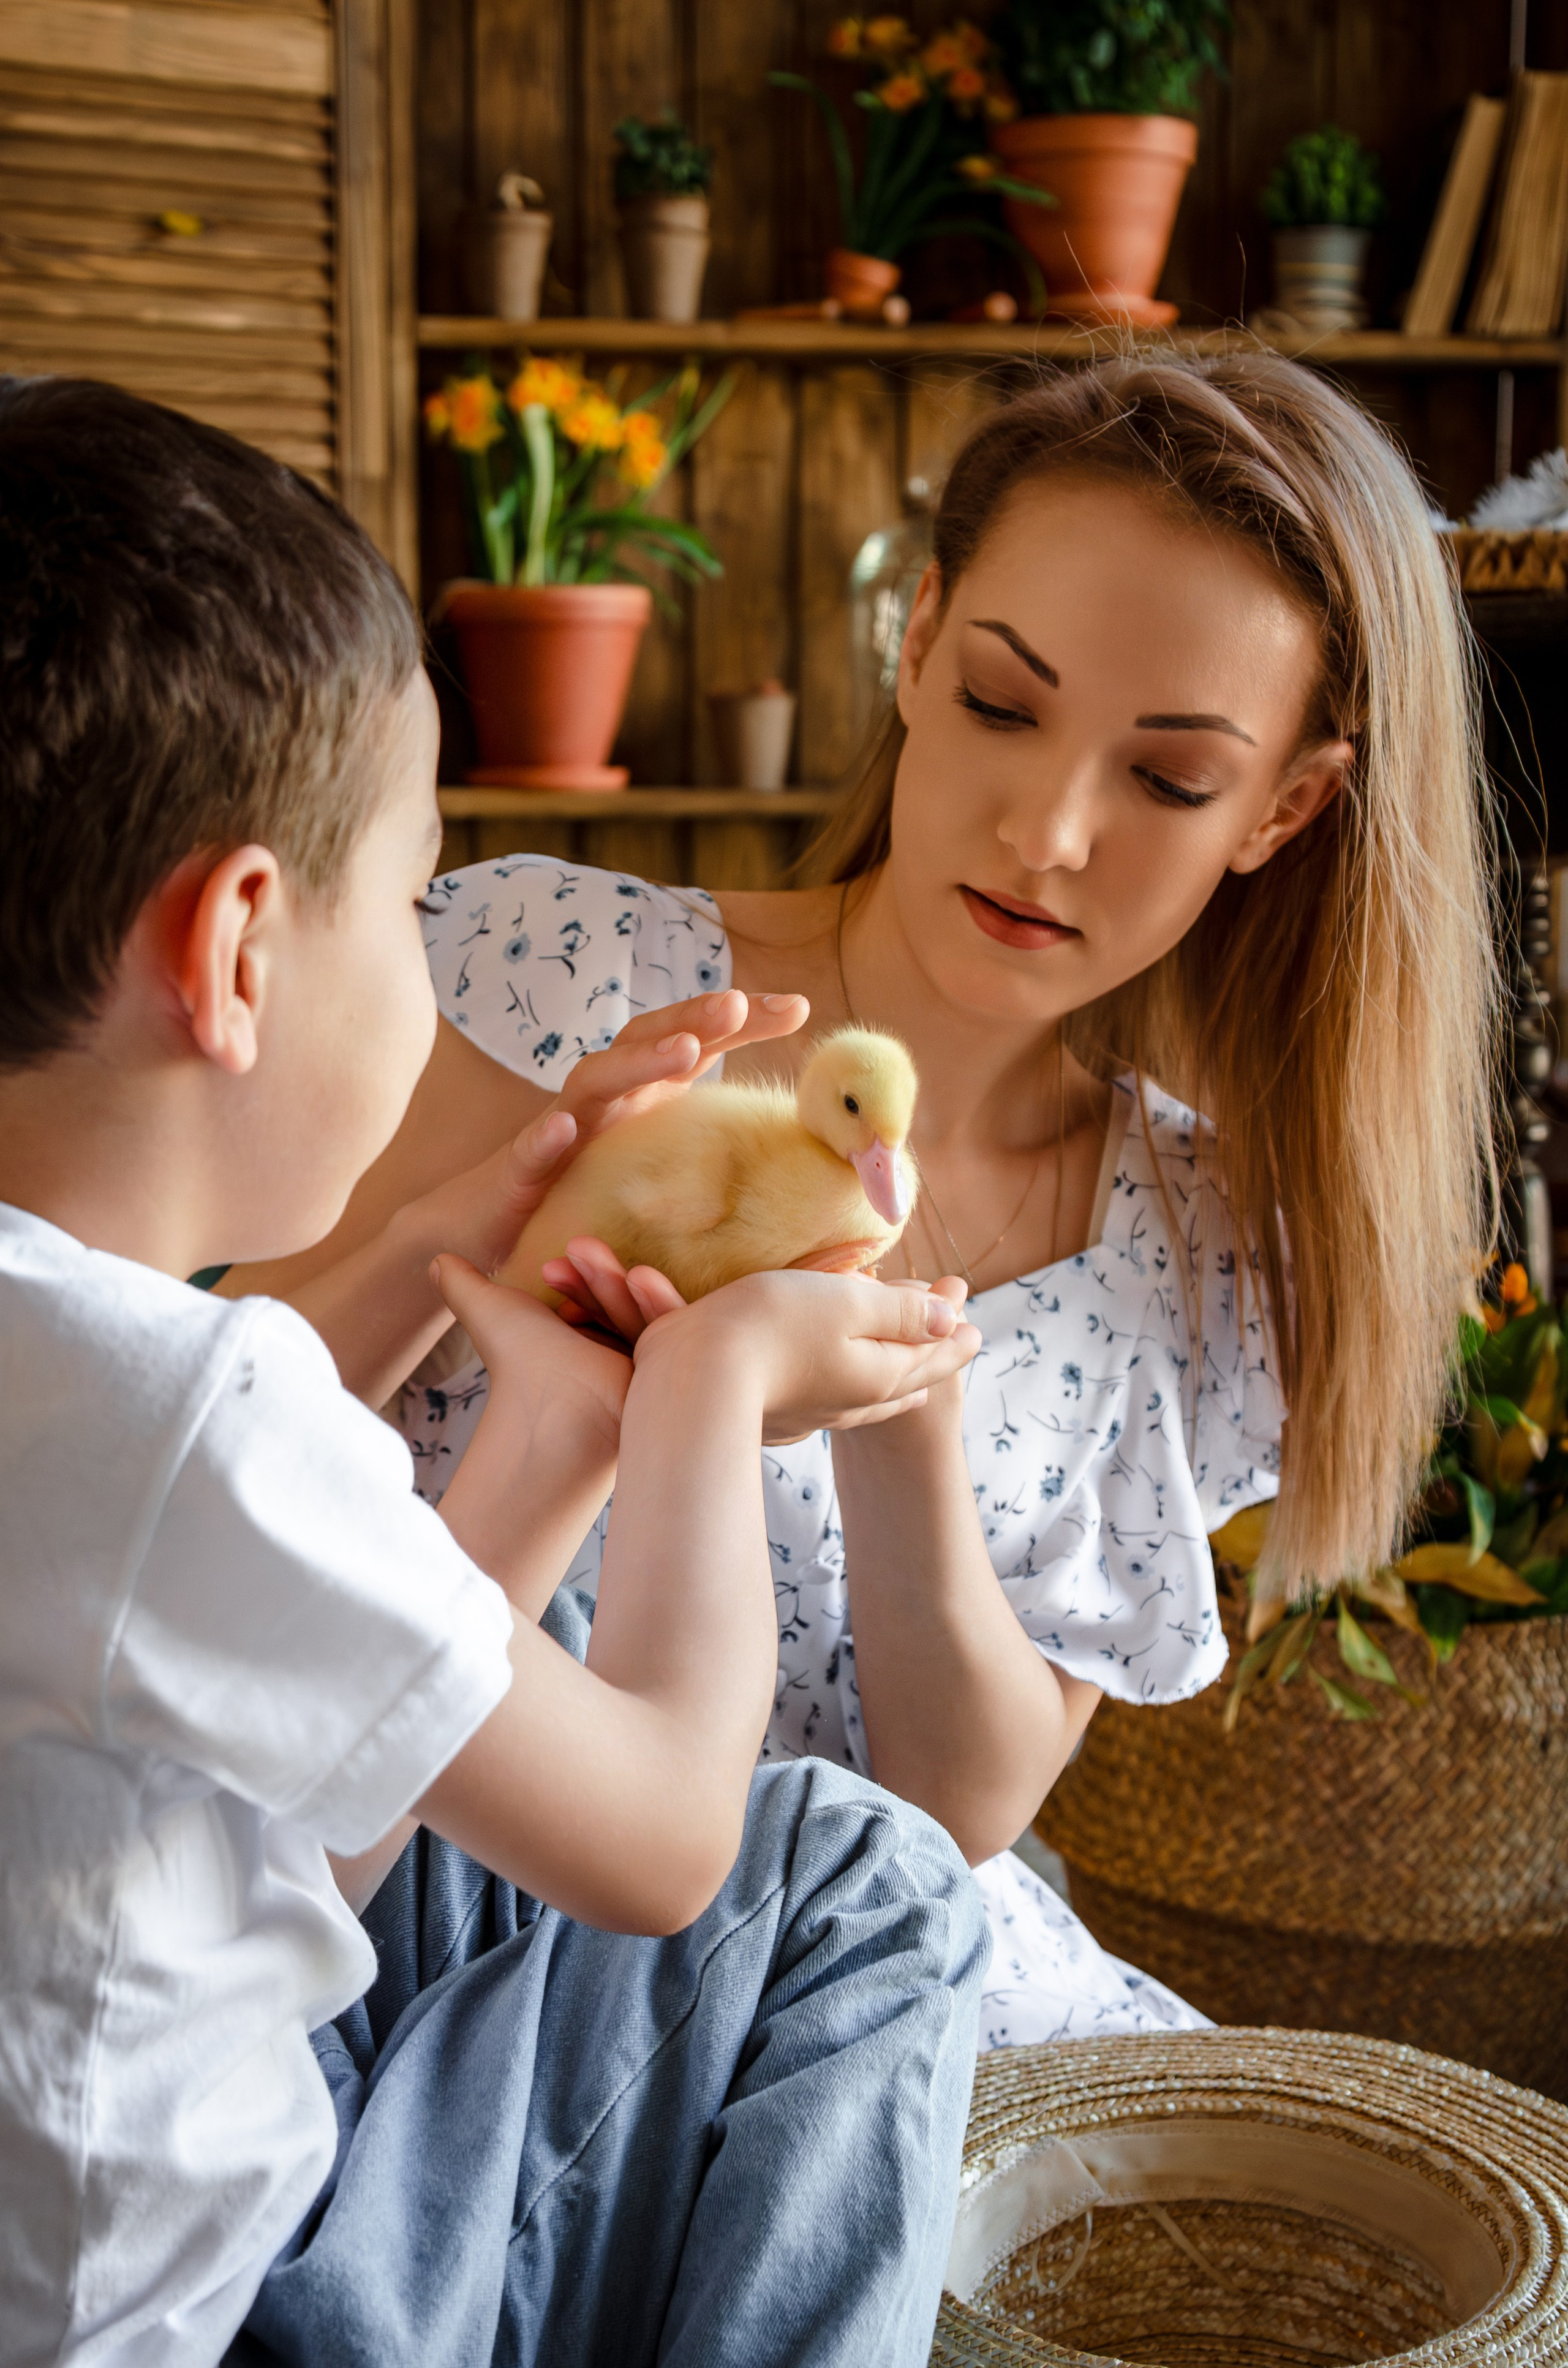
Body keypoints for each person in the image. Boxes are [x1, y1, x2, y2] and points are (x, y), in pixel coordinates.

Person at [238, 349, 1499, 2049]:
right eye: (1002, 700)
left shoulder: (1195, 1252)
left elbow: (960, 1809)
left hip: (847, 1989)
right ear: (913, 646)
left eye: (1169, 779)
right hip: (404, 1904)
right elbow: (207, 1452)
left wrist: (906, 1407)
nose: (1047, 827)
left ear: (1283, 808)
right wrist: (473, 1230)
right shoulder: (547, 971)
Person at [0, 375, 990, 2368]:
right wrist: (703, 1405)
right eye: (414, 898)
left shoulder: (82, 1365)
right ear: (246, 945)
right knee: (862, 1873)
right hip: (183, 2313)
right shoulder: (198, 1426)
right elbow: (656, 1842)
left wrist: (524, 1352)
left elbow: (226, 1656)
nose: (433, 972)